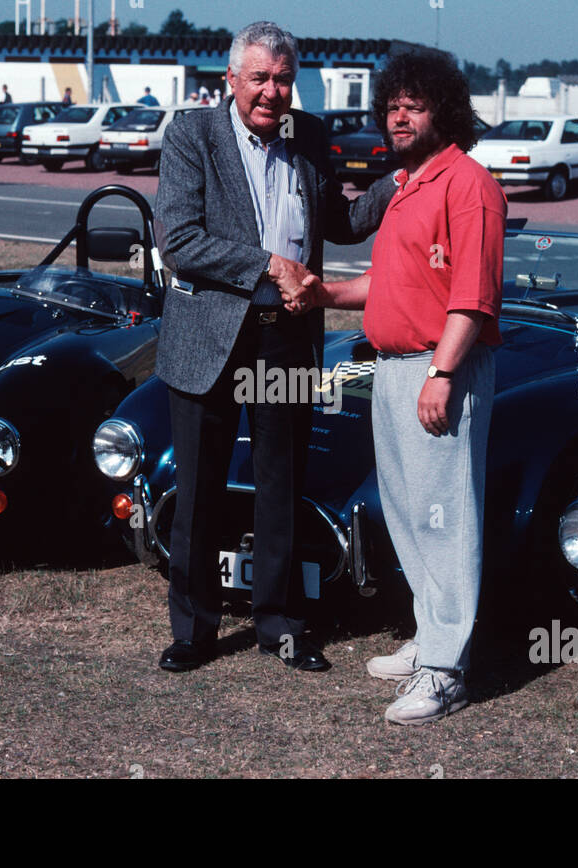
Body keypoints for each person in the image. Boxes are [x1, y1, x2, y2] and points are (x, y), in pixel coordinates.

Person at [152, 21, 395, 674]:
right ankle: (194, 630)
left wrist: (403, 181)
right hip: (208, 338)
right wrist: (270, 266)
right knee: (198, 490)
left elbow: (339, 222)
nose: (272, 92)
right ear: (231, 80)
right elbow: (180, 240)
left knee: (282, 486)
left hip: (285, 342)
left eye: (283, 79)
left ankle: (282, 625)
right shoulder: (191, 136)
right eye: (259, 78)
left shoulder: (309, 135)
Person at [308, 49, 505, 724]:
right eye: (392, 104)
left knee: (445, 517)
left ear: (443, 112)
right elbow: (389, 284)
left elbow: (473, 298)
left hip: (438, 365)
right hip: (391, 368)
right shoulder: (404, 184)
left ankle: (448, 670)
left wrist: (442, 373)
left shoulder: (468, 183)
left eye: (413, 105)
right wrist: (327, 293)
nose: (398, 116)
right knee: (407, 512)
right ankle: (430, 637)